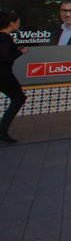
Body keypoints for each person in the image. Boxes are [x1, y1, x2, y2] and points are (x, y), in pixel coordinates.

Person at [1, 9, 28, 144]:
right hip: (4, 75)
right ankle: (2, 131)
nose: (19, 24)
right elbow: (5, 58)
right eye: (18, 22)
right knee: (19, 98)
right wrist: (20, 52)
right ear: (10, 23)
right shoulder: (5, 38)